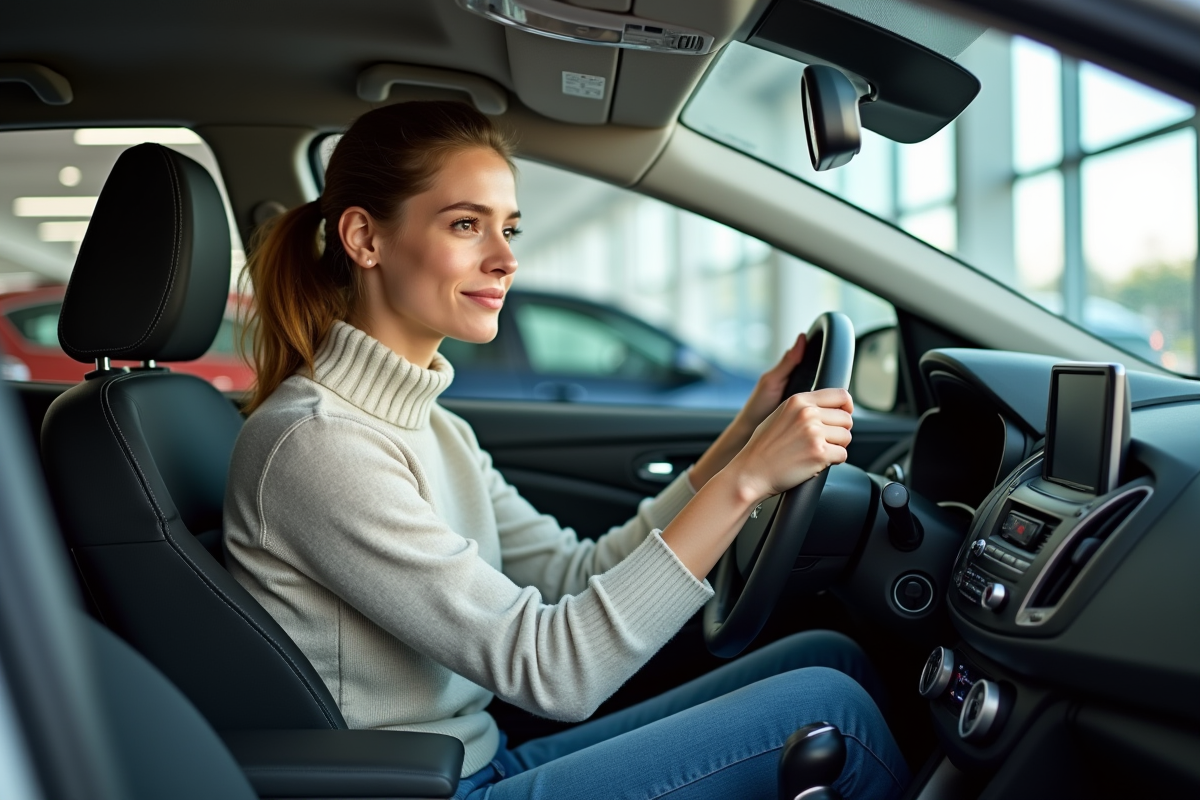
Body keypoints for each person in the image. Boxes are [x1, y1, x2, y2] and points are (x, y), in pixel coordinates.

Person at [224, 100, 908, 800]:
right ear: (365, 238)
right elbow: (558, 672)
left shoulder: (433, 428)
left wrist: (738, 443)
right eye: (466, 224)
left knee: (833, 660)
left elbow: (572, 573)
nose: (506, 259)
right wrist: (747, 482)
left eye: (509, 228)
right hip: (422, 788)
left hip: (477, 762)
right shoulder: (320, 443)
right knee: (834, 716)